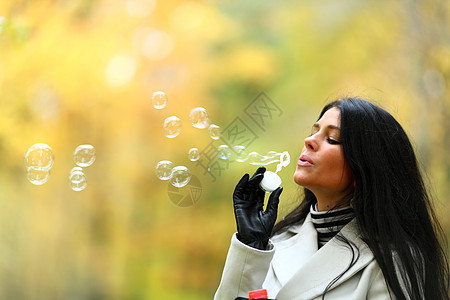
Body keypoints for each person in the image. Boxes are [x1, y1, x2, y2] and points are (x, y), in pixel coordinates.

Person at [214, 98, 449, 300]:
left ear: (365, 167)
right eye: (314, 131)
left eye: (332, 139)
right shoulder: (276, 241)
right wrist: (251, 246)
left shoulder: (394, 261)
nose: (309, 141)